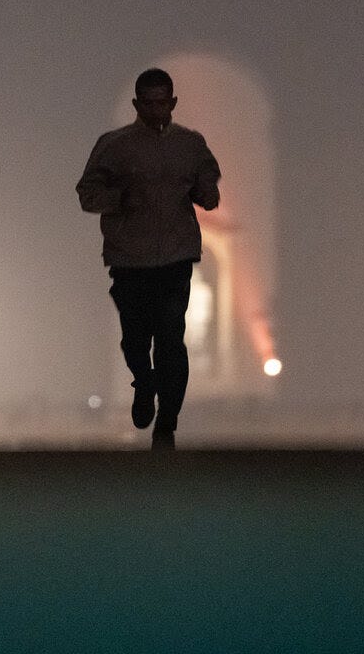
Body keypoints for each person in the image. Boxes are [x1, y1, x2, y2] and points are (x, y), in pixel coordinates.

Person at [76, 68, 221, 450]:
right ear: (137, 104)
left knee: (172, 338)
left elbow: (210, 189)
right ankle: (144, 382)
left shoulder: (191, 145)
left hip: (175, 257)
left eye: (163, 102)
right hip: (130, 259)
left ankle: (167, 423)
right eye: (149, 103)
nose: (157, 110)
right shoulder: (114, 146)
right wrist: (119, 198)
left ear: (173, 102)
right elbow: (87, 192)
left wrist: (206, 193)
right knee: (136, 339)